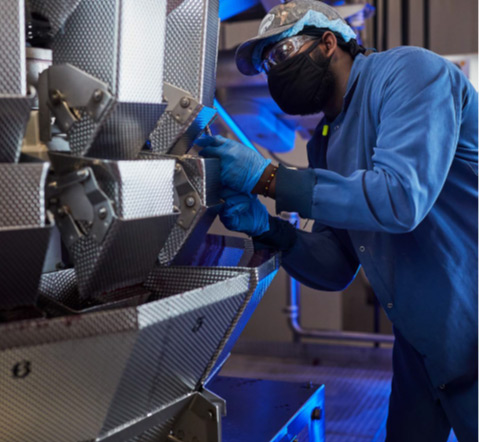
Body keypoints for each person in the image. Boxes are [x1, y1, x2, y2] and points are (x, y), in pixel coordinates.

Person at [196, 0, 478, 440]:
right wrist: (269, 230)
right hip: (421, 347)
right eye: (267, 64)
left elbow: (400, 198)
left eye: (282, 53)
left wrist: (269, 177)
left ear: (329, 42)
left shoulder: (409, 74)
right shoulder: (324, 143)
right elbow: (337, 265)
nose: (275, 72)